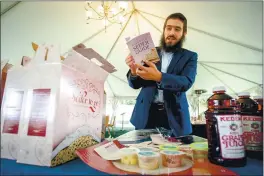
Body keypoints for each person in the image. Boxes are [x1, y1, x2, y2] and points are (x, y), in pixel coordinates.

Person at [125, 13, 198, 137]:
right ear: (164, 30)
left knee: (174, 154)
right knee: (143, 154)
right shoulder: (148, 51)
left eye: (177, 29)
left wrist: (159, 77)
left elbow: (186, 82)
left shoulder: (190, 56)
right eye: (168, 28)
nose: (171, 33)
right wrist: (133, 70)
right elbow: (135, 84)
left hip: (174, 117)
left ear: (184, 33)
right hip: (146, 114)